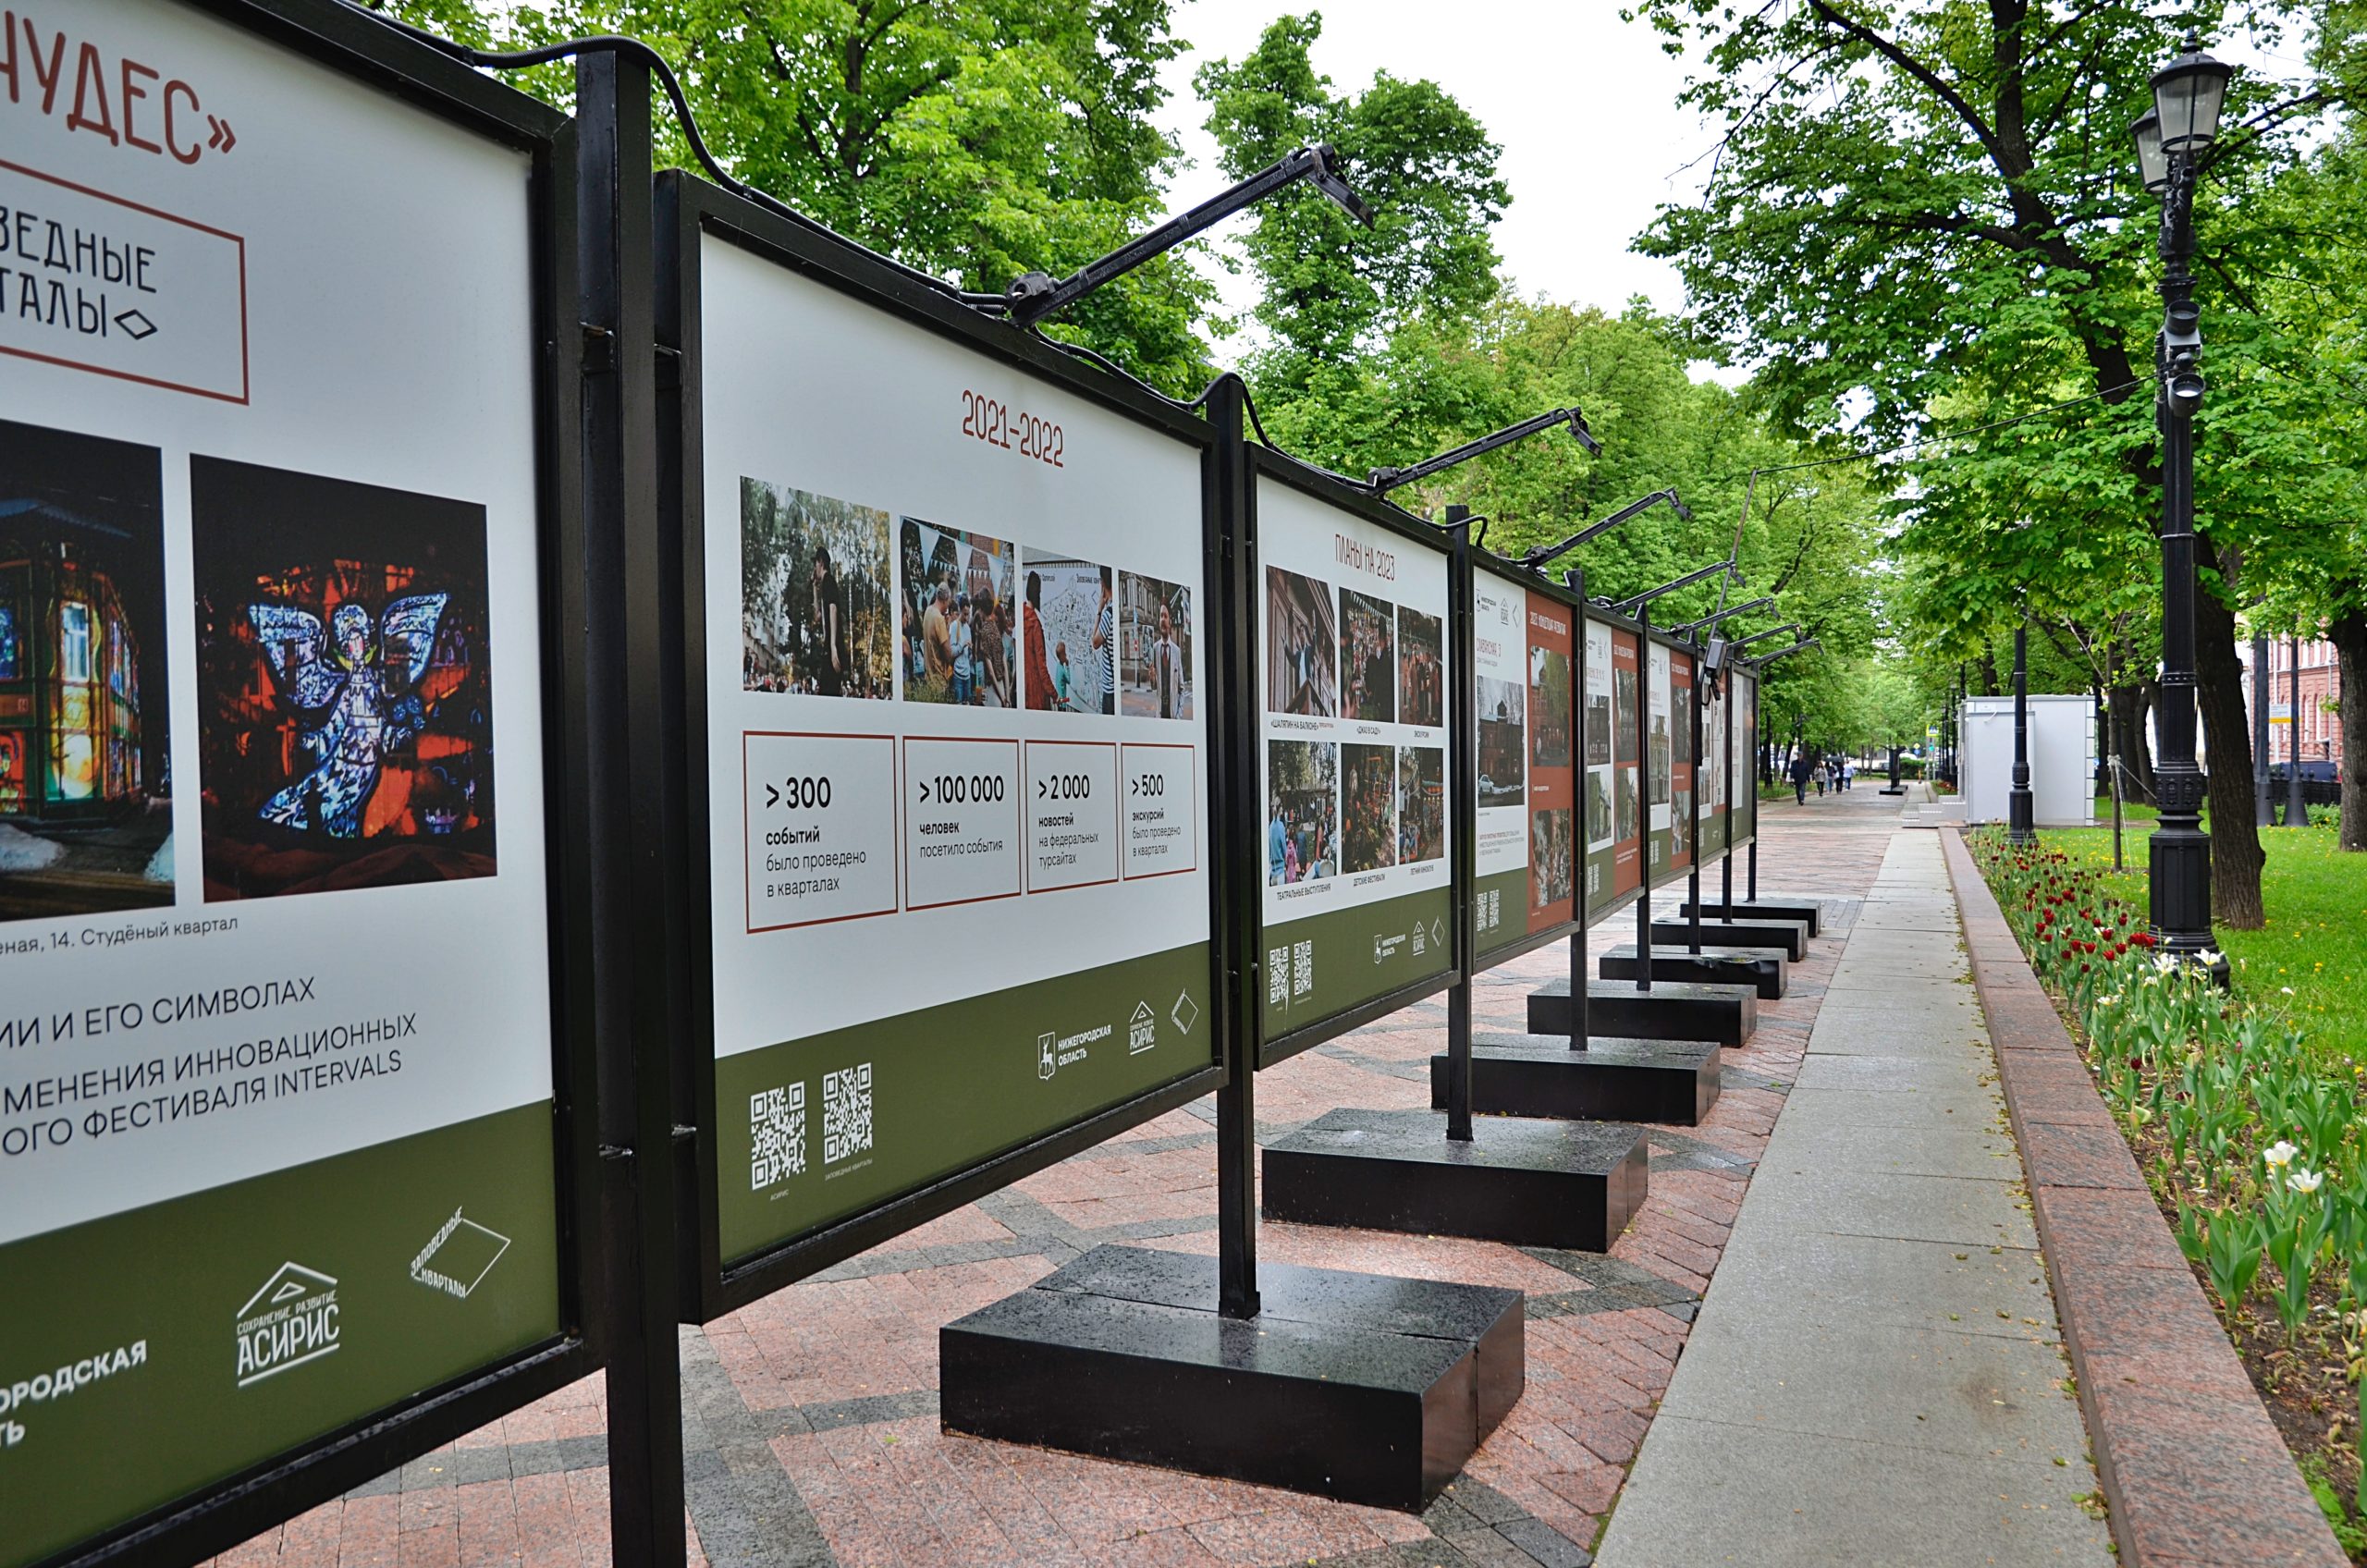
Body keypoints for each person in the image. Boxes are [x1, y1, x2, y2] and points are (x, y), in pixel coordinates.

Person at [806, 545, 847, 697]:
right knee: (826, 690)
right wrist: (814, 589)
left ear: (820, 562)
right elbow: (817, 616)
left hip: (832, 645)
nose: (814, 568)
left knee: (828, 691)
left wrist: (833, 646)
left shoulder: (829, 580)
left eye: (815, 564)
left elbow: (833, 609)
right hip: (829, 646)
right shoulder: (823, 585)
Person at [1022, 571, 1055, 709]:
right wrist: (1054, 694)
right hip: (1036, 691)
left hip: (1024, 687)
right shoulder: (1035, 624)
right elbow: (1042, 667)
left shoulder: (1020, 616)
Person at [1148, 601, 1184, 719]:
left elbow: (1181, 689)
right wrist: (1152, 678)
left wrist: (1178, 716)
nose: (1162, 619)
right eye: (1161, 616)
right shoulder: (1154, 648)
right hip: (1159, 717)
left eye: (1165, 616)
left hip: (1173, 717)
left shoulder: (1176, 651)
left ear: (1170, 621)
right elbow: (1154, 687)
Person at [1092, 576, 1116, 714]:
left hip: (1109, 692)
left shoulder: (1108, 615)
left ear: (1102, 584)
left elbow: (1094, 642)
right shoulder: (1115, 611)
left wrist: (1099, 610)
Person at [922, 585, 952, 690]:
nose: (948, 606)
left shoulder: (928, 611)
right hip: (938, 680)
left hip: (928, 677)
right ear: (945, 600)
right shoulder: (939, 619)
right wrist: (947, 627)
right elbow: (948, 654)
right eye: (948, 602)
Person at [949, 594, 974, 704]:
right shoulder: (954, 626)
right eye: (965, 614)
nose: (967, 617)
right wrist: (962, 645)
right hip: (958, 675)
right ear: (960, 611)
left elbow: (968, 655)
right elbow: (952, 652)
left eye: (968, 614)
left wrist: (971, 651)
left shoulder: (968, 628)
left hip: (967, 674)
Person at [1269, 803, 1287, 885]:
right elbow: (1284, 847)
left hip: (1272, 869)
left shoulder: (1271, 827)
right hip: (1280, 869)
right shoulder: (1280, 826)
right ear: (1280, 810)